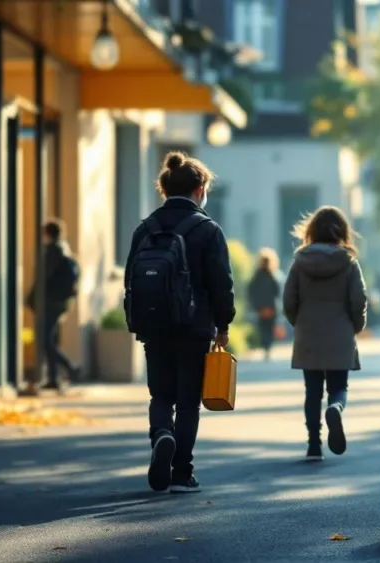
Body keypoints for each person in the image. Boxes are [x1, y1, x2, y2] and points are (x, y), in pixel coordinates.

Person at [124, 151, 235, 494]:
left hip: (154, 326)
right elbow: (221, 283)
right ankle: (181, 472)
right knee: (187, 402)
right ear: (200, 189)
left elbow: (130, 279)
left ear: (165, 189)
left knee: (160, 395)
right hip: (194, 327)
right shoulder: (208, 230)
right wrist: (223, 325)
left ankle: (162, 434)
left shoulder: (145, 228)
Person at [283, 206, 368, 461]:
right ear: (342, 231)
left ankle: (313, 445)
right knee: (338, 387)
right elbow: (359, 299)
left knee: (312, 392)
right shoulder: (348, 261)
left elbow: (289, 299)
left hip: (308, 333)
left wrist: (298, 323)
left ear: (311, 230)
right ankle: (335, 408)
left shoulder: (300, 261)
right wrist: (356, 325)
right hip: (340, 334)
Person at [27, 219, 81, 392]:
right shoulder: (64, 250)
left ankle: (70, 367)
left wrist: (31, 298)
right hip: (60, 302)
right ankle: (53, 378)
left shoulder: (53, 252)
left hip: (50, 302)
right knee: (50, 339)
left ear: (48, 234)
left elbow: (43, 278)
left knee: (45, 340)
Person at [248, 248, 282, 362]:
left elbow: (251, 291)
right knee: (266, 329)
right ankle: (267, 347)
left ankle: (267, 347)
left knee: (266, 329)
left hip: (265, 308)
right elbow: (276, 292)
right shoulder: (270, 276)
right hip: (267, 308)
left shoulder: (259, 276)